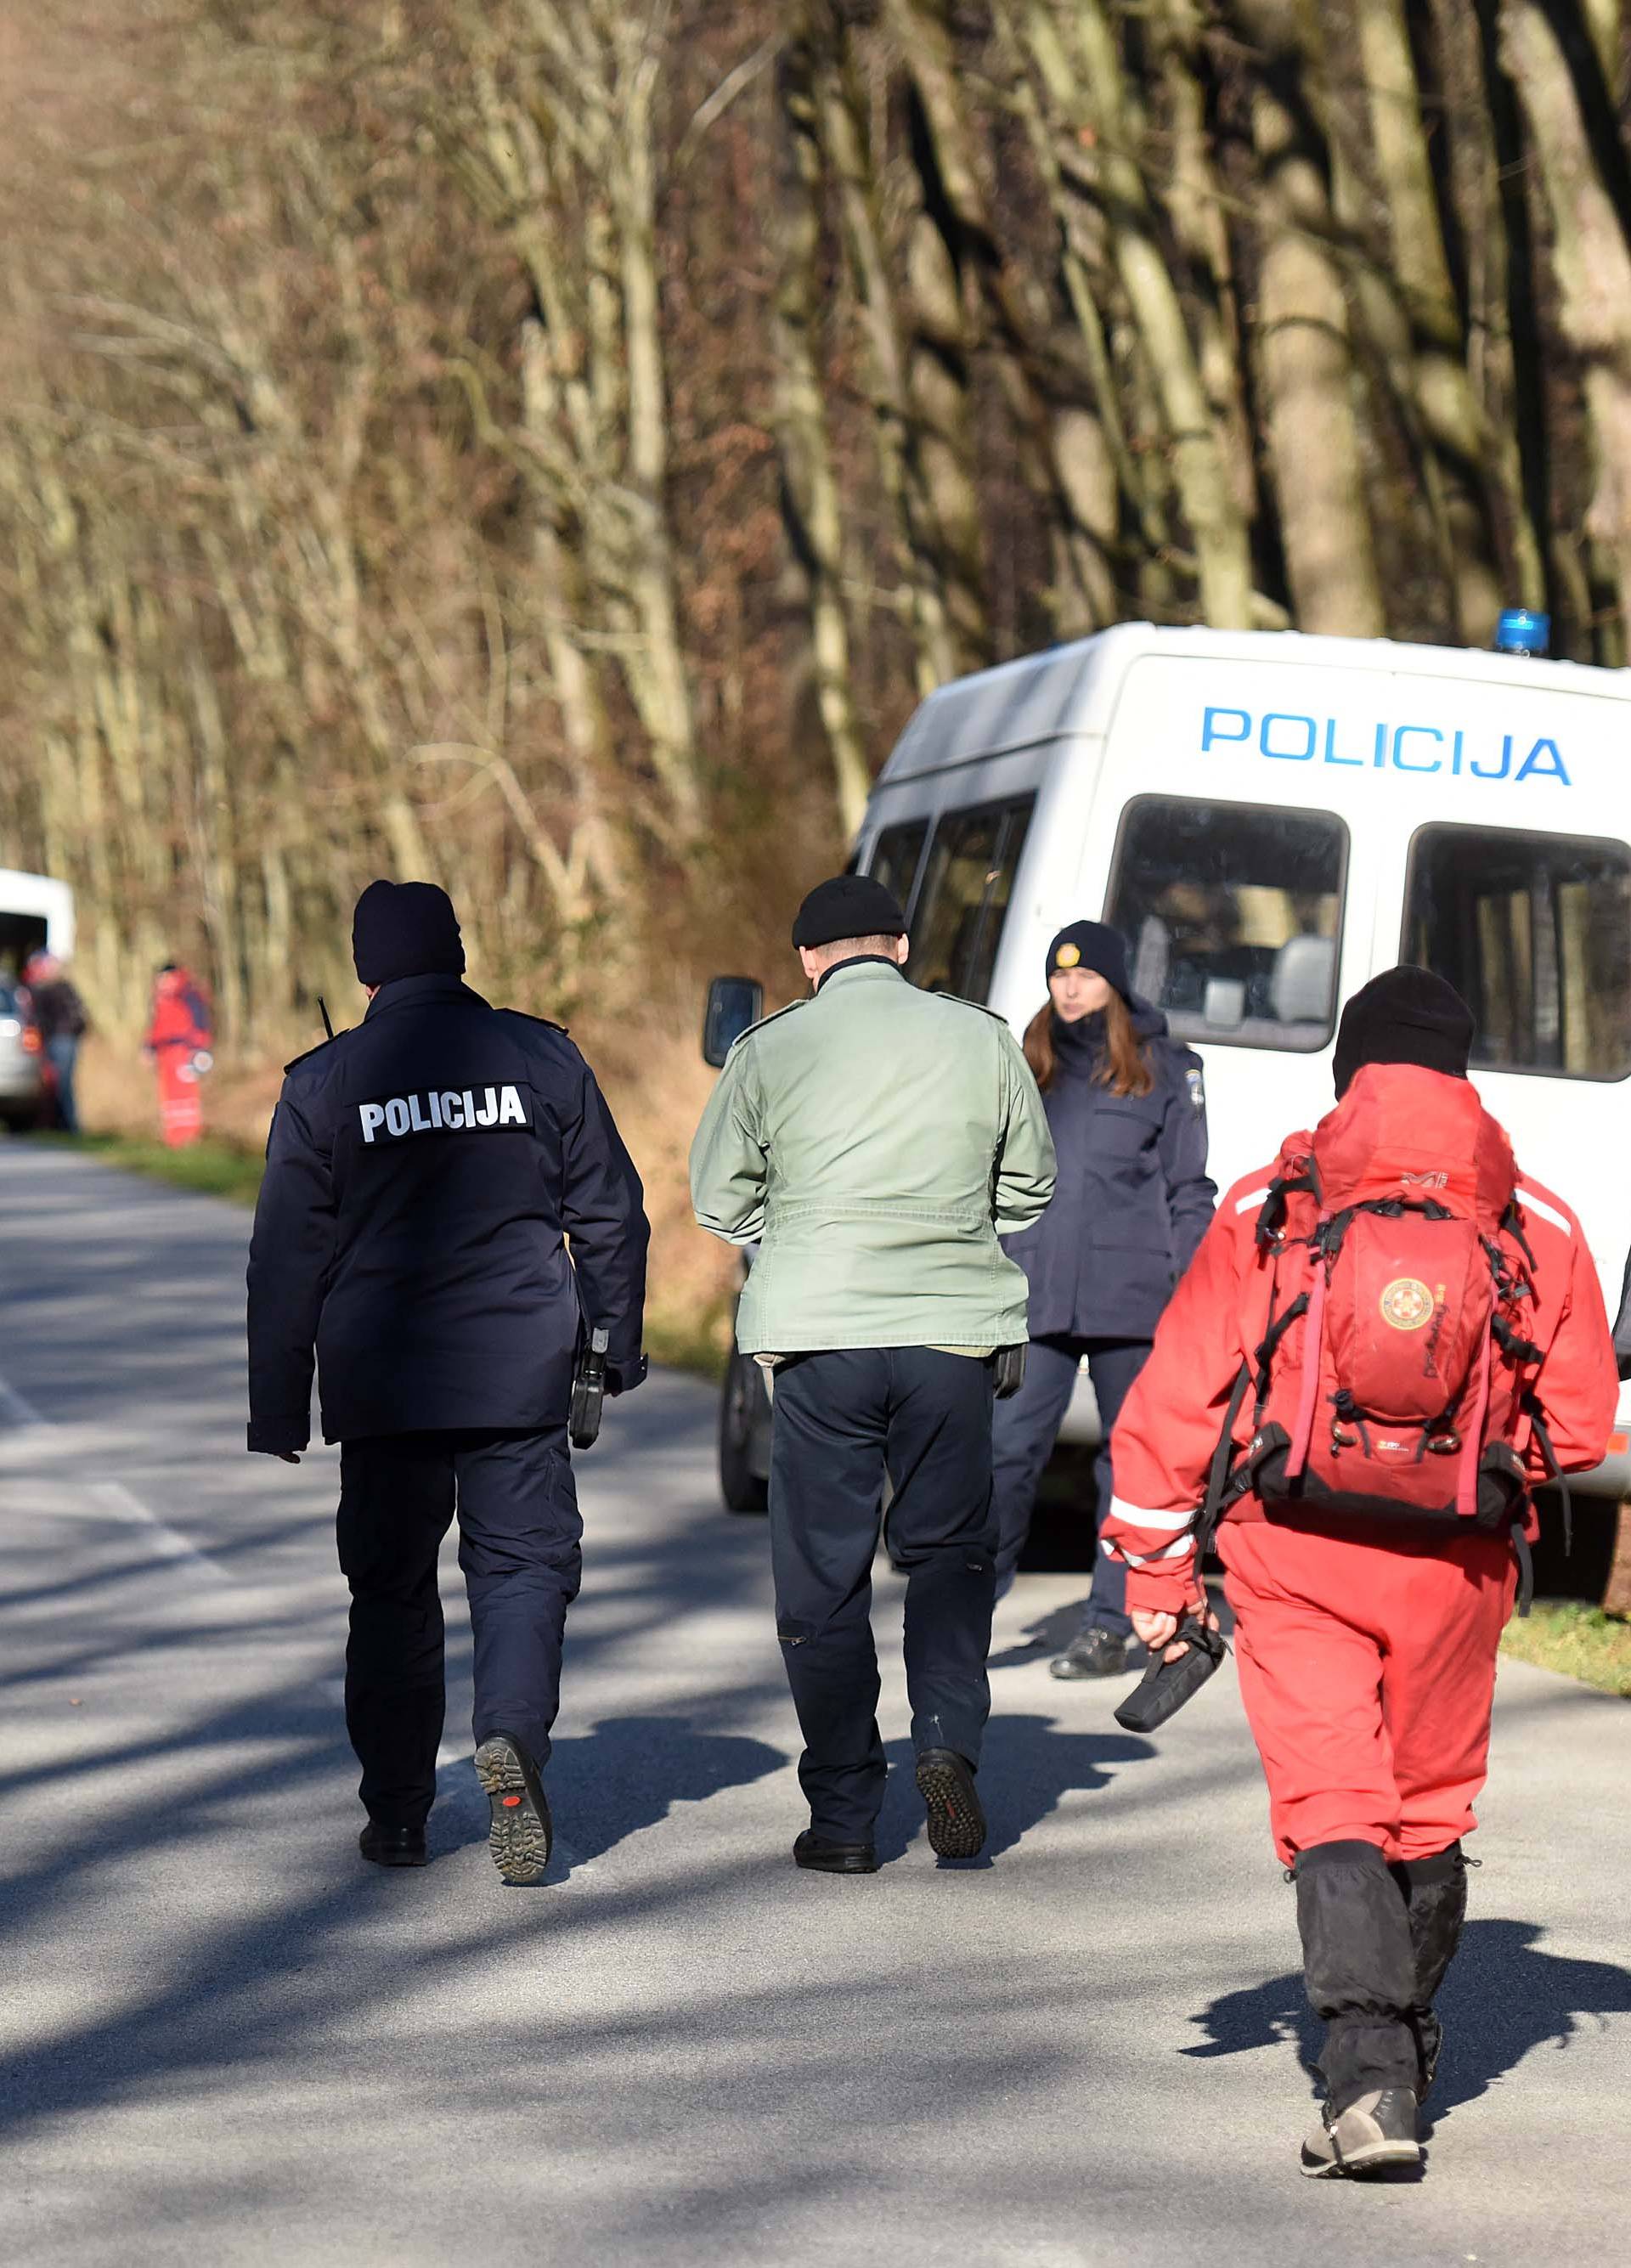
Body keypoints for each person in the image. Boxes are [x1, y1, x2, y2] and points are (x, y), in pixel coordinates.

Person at [1100, 967, 1617, 2178]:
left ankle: (1371, 2080)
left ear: (1350, 1070)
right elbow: (1585, 1422)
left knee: (1335, 1803)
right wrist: (1473, 1461)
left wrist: (1156, 1575)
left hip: (1294, 1557)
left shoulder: (1275, 1200)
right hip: (1456, 1568)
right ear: (1464, 1070)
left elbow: (1176, 1393)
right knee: (1426, 1809)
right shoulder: (1532, 1218)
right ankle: (1412, 2050)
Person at [246, 880, 649, 1883]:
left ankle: (398, 1818)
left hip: (383, 1380)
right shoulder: (541, 1056)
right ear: (458, 954)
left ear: (364, 969)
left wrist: (276, 1400)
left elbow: (286, 1257)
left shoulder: (325, 1083)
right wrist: (614, 1346)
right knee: (521, 1569)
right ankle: (509, 1736)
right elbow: (611, 1214)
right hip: (517, 1372)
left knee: (390, 1595)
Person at [690, 875, 1056, 1875]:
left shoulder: (768, 1050)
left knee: (822, 1578)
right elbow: (1032, 1185)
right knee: (948, 1555)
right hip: (950, 1336)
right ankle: (944, 1739)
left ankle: (846, 1816)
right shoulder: (981, 1039)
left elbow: (718, 1200)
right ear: (900, 943)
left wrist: (805, 1239)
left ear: (809, 960)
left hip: (820, 1335)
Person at [991, 920, 1215, 1674]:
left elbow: (1189, 1190)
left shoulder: (1164, 1069)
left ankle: (1109, 1623)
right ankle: (965, 1613)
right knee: (1005, 1452)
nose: (1069, 987)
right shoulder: (1026, 1063)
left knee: (1131, 1466)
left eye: (1085, 976)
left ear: (1114, 984)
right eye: (1059, 976)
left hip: (1135, 1301)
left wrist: (1191, 1294)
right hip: (1038, 1292)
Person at [144, 963, 214, 1147]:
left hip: (185, 1052)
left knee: (186, 1096)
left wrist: (200, 1050)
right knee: (170, 1097)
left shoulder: (188, 995)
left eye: (163, 978)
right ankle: (173, 1137)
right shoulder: (159, 999)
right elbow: (155, 1028)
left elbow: (200, 1024)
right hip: (165, 1054)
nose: (160, 982)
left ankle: (190, 1136)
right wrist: (149, 1048)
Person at [21, 952, 88, 1134]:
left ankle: (70, 1126)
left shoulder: (61, 989)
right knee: (54, 1085)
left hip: (63, 1039)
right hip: (53, 1040)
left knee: (63, 1083)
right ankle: (59, 1124)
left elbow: (75, 1017)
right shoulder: (42, 990)